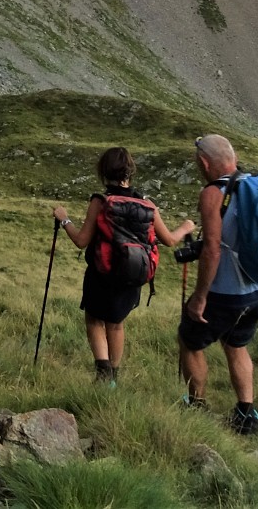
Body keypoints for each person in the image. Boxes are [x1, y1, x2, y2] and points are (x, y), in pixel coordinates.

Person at [53, 146, 195, 387]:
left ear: (104, 172)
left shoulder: (101, 201)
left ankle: (102, 370)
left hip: (101, 273)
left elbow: (81, 241)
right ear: (130, 172)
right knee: (117, 324)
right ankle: (113, 380)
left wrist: (64, 219)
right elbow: (170, 240)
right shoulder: (147, 204)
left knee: (95, 319)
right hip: (132, 275)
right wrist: (186, 227)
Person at [178, 133, 258, 435]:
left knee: (190, 342)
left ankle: (197, 406)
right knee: (237, 344)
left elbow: (213, 248)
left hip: (225, 292)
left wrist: (200, 296)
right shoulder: (257, 185)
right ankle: (246, 415)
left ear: (205, 163)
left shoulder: (213, 192)